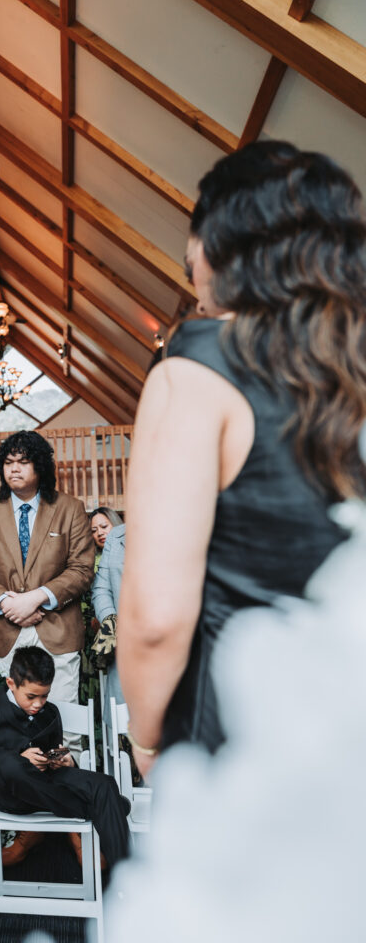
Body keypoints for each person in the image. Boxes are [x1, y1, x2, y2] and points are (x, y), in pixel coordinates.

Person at [118, 141, 366, 779]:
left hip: (246, 737)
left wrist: (147, 739)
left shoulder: (197, 370)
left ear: (224, 244)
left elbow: (156, 617)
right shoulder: (351, 368)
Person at [0, 430, 94, 701]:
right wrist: (6, 603)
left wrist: (36, 598)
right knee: (1, 718)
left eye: (23, 461)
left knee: (61, 715)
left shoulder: (70, 508)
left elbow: (82, 568)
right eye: (8, 463)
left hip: (56, 629)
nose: (14, 468)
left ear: (40, 465)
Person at [0, 646, 129, 871]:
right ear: (11, 684)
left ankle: (127, 873)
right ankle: (97, 807)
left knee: (105, 784)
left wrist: (64, 760)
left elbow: (55, 752)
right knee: (13, 765)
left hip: (46, 786)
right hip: (10, 792)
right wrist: (20, 757)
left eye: (44, 696)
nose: (38, 703)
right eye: (31, 696)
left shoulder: (50, 712)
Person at [79, 507, 122, 705]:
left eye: (104, 526)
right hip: (94, 631)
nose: (100, 533)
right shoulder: (89, 561)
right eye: (94, 531)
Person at [92, 515, 126, 714]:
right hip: (123, 647)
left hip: (171, 643)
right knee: (122, 719)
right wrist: (112, 624)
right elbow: (101, 589)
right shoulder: (117, 535)